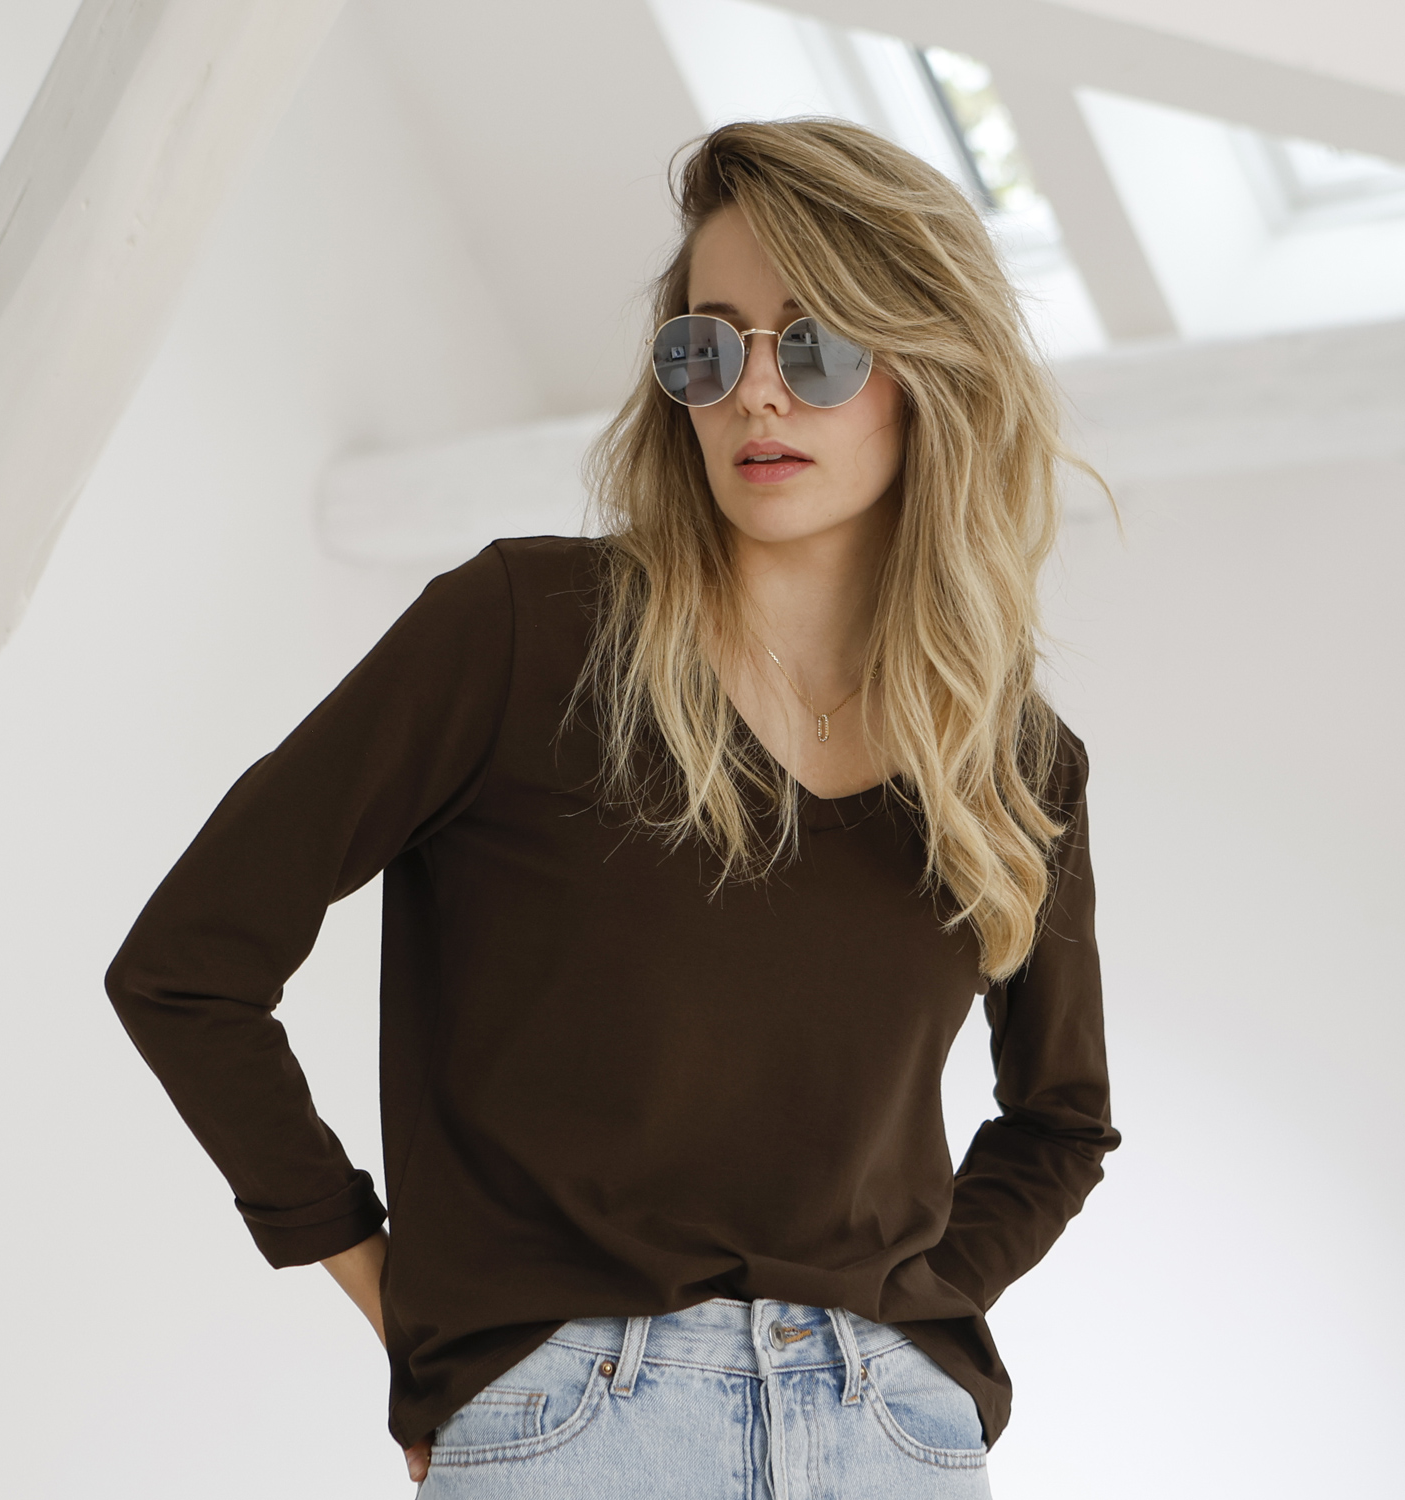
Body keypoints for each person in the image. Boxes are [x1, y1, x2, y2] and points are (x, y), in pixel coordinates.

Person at [106, 118, 1120, 1496]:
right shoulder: (521, 634)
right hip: (576, 1423)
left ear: (930, 376)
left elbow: (1060, 1121)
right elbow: (187, 968)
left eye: (816, 349)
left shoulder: (1009, 754)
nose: (755, 396)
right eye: (708, 349)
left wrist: (914, 1320)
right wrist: (404, 1298)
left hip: (891, 1438)